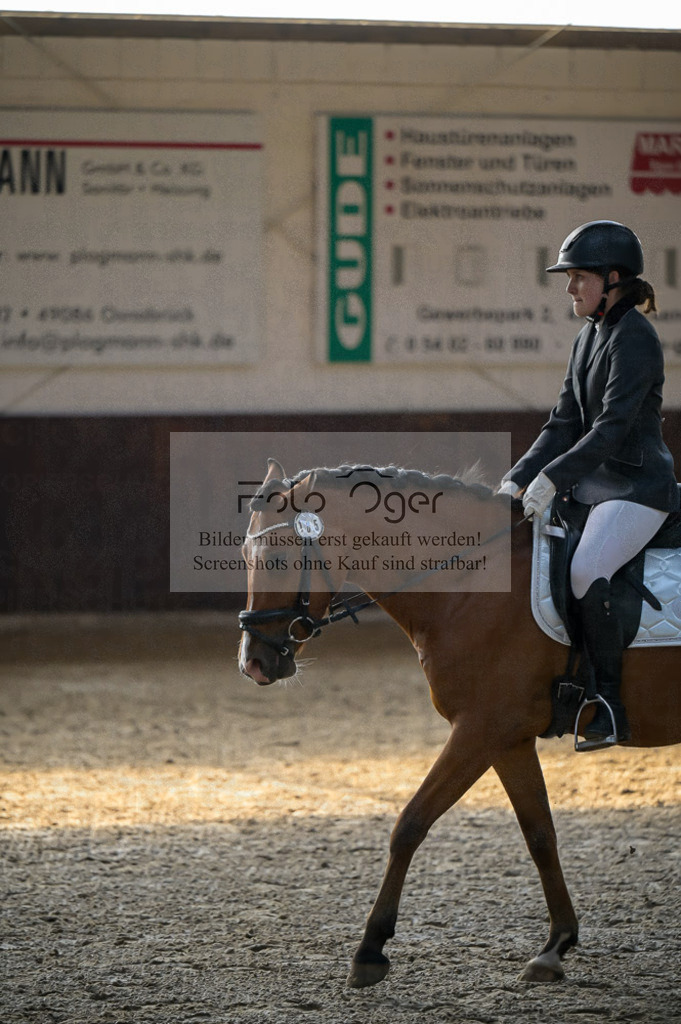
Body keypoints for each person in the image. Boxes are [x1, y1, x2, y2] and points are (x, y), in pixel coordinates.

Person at [500, 220, 678, 746]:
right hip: (593, 490)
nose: (570, 287)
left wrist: (553, 479)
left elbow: (611, 428)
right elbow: (561, 423)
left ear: (613, 278)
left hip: (637, 490)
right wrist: (516, 480)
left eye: (578, 276)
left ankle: (608, 705)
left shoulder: (637, 340)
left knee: (586, 569)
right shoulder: (587, 338)